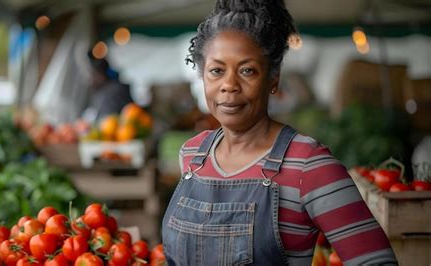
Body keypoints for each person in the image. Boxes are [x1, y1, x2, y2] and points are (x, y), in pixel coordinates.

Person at [161, 0, 398, 265]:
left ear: (273, 79)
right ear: (202, 77)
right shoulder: (193, 155)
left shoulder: (309, 165)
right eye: (216, 71)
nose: (229, 85)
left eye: (247, 70)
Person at [82, 53, 133, 123]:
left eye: (94, 75)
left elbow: (109, 120)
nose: (91, 79)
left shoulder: (114, 90)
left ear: (101, 75)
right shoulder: (99, 91)